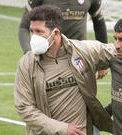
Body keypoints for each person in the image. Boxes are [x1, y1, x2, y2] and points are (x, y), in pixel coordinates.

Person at [14, 5, 113, 135]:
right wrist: (61, 128)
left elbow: (119, 51)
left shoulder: (83, 51)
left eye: (39, 31)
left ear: (55, 33)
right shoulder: (26, 63)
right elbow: (24, 107)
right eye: (32, 31)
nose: (33, 37)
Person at [19, 0, 108, 54]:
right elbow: (24, 27)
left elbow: (99, 25)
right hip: (47, 56)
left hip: (79, 56)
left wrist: (103, 57)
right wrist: (28, 52)